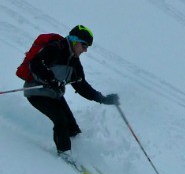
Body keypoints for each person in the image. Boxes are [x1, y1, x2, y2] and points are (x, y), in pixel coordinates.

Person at [23, 25, 119, 160]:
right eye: (84, 45)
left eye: (87, 47)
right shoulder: (55, 48)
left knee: (73, 128)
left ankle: (79, 153)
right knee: (60, 120)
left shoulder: (74, 61)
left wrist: (103, 99)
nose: (85, 50)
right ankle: (64, 154)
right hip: (36, 92)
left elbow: (81, 86)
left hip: (54, 95)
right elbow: (36, 64)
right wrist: (50, 79)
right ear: (74, 40)